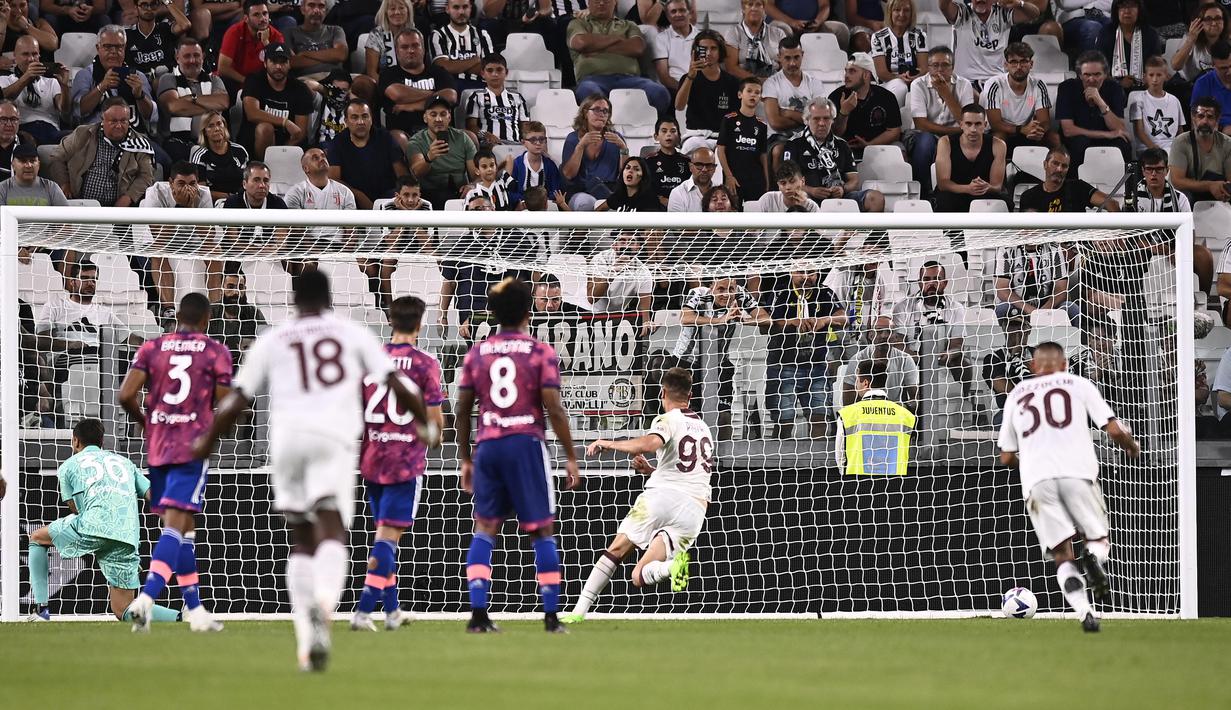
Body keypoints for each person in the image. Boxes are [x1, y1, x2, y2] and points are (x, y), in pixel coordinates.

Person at [191, 269, 432, 671]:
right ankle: (325, 604)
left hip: (286, 441)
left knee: (301, 539)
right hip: (333, 439)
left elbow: (237, 399)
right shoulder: (351, 333)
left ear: (293, 297)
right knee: (332, 527)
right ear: (329, 295)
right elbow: (398, 384)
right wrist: (423, 422)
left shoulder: (274, 337)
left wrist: (207, 441)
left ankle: (306, 640)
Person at [455, 277, 580, 633]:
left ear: (493, 313)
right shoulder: (541, 352)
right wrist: (571, 456)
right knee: (541, 529)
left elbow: (463, 410)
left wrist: (465, 458)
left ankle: (478, 614)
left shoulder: (478, 352)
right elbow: (554, 409)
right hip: (526, 443)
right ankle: (552, 617)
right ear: (528, 312)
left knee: (485, 528)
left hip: (490, 445)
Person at [997, 341, 1142, 632]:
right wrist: (1131, 446)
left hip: (1037, 481)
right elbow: (1113, 429)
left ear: (1032, 367)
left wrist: (1026, 463)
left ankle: (1085, 613)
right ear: (1064, 364)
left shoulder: (1017, 394)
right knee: (1098, 538)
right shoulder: (1079, 384)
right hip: (1078, 475)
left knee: (1063, 555)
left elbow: (1006, 456)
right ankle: (1094, 557)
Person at [117, 293, 231, 632]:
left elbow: (125, 395)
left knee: (183, 527)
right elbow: (227, 403)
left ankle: (194, 610)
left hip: (159, 446)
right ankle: (146, 599)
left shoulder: (153, 348)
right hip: (190, 447)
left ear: (177, 316)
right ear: (207, 319)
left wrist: (145, 422)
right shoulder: (215, 351)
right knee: (176, 524)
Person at [564, 366, 713, 622]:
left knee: (617, 549)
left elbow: (649, 443)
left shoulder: (667, 420)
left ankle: (578, 612)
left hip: (662, 497)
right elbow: (685, 473)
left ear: (662, 392)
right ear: (690, 396)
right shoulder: (705, 429)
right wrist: (650, 470)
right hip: (696, 510)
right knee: (639, 575)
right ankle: (670, 568)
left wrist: (607, 443)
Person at [350, 296, 445, 632]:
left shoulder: (369, 362)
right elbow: (436, 426)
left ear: (391, 321)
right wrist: (433, 435)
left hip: (372, 456)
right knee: (388, 538)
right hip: (404, 460)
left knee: (383, 535)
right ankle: (362, 612)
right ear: (419, 324)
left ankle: (392, 611)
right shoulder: (425, 364)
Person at [27, 419, 180, 623]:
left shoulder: (69, 466)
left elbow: (74, 508)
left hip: (93, 525)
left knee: (37, 538)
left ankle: (41, 610)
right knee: (123, 609)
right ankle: (180, 618)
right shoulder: (125, 463)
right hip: (127, 535)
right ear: (102, 442)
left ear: (75, 441)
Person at [764, 266, 846, 439]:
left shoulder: (824, 293)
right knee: (784, 421)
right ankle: (782, 463)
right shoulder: (781, 292)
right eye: (801, 272)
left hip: (816, 366)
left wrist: (824, 320)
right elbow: (767, 322)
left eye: (811, 272)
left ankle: (818, 465)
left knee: (820, 418)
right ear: (791, 272)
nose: (806, 277)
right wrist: (792, 322)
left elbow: (844, 317)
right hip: (783, 366)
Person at [137, 161, 215, 323]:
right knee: (158, 251)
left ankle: (215, 306)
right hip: (163, 239)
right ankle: (168, 309)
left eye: (192, 183)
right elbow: (158, 235)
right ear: (170, 183)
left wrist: (192, 207)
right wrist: (179, 206)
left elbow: (209, 236)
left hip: (193, 239)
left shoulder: (204, 193)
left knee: (216, 251)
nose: (187, 188)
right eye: (181, 183)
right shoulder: (155, 192)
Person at [779, 98, 884, 212]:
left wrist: (842, 189)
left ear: (832, 120)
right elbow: (787, 182)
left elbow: (854, 180)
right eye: (816, 119)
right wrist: (812, 191)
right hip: (807, 197)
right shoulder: (794, 144)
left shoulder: (842, 144)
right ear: (807, 120)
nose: (822, 123)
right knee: (796, 198)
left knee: (876, 198)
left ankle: (865, 230)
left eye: (826, 118)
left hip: (839, 197)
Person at [567, 0, 670, 113]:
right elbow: (580, 43)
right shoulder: (578, 23)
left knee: (660, 93)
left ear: (614, 3)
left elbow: (637, 48)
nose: (601, 3)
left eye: (606, 1)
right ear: (589, 3)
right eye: (597, 0)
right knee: (590, 95)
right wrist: (618, 39)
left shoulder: (629, 25)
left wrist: (595, 47)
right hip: (593, 79)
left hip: (631, 79)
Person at [48, 98, 155, 206]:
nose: (119, 126)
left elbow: (146, 176)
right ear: (102, 120)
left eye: (123, 121)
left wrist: (128, 197)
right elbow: (57, 157)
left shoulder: (139, 144)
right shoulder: (83, 134)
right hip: (81, 204)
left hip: (119, 209)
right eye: (113, 121)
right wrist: (64, 183)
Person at [892, 260, 971, 397]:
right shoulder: (902, 307)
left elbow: (957, 344)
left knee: (964, 363)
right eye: (926, 279)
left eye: (937, 279)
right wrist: (921, 358)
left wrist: (949, 354)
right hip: (913, 358)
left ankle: (962, 403)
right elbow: (899, 346)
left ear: (945, 283)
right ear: (919, 283)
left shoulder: (956, 307)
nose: (931, 284)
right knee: (896, 362)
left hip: (942, 358)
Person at [909, 46, 975, 194]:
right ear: (928, 67)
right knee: (925, 141)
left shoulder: (964, 85)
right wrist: (958, 130)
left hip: (956, 135)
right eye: (935, 65)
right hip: (923, 134)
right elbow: (921, 124)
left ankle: (955, 190)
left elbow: (967, 121)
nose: (940, 70)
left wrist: (946, 94)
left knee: (969, 139)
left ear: (952, 67)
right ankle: (924, 192)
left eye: (945, 65)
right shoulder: (918, 84)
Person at [835, 358, 916, 475]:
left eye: (857, 381)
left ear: (865, 383)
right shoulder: (906, 415)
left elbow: (840, 457)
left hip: (857, 486)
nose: (856, 385)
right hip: (895, 486)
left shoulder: (847, 414)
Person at [378, 29, 457, 147]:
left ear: (423, 49)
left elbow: (450, 97)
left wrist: (411, 106)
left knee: (470, 136)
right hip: (405, 133)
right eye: (404, 47)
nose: (411, 50)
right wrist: (435, 94)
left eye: (415, 45)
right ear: (397, 52)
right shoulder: (389, 74)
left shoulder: (438, 72)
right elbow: (398, 95)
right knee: (397, 138)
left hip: (440, 132)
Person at [156, 37, 229, 162]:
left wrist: (192, 98)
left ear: (203, 56)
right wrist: (210, 106)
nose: (192, 60)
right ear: (177, 57)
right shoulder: (168, 79)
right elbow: (174, 107)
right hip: (178, 142)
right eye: (187, 56)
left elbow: (223, 102)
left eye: (196, 55)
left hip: (213, 141)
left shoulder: (214, 80)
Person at [72, 25, 158, 132]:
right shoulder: (86, 75)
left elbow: (151, 116)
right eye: (107, 47)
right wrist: (101, 87)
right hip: (97, 134)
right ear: (98, 48)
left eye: (119, 47)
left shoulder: (137, 76)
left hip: (134, 134)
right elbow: (77, 111)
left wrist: (140, 96)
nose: (113, 51)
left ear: (125, 48)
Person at [1055, 50, 1130, 169]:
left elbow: (1119, 128)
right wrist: (1107, 135)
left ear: (1105, 74)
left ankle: (1125, 185)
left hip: (1106, 139)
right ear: (1080, 75)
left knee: (1123, 143)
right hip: (1078, 138)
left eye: (1097, 74)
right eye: (1087, 74)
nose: (1092, 79)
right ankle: (1077, 183)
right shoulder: (1066, 88)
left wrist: (1100, 102)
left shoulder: (1114, 88)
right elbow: (1068, 130)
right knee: (1080, 144)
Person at [238, 41, 313, 159]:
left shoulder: (300, 89)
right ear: (265, 63)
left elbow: (300, 133)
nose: (278, 67)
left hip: (288, 149)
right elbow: (252, 113)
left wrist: (280, 154)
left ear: (289, 64)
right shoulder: (254, 80)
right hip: (253, 148)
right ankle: (263, 168)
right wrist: (285, 122)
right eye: (274, 62)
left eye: (283, 62)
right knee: (265, 128)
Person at [325, 98, 405, 209]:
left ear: (371, 119)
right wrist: (358, 195)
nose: (360, 122)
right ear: (346, 121)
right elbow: (334, 182)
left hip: (386, 199)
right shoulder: (337, 143)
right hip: (352, 199)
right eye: (354, 117)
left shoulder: (386, 138)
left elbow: (402, 177)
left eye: (365, 116)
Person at [941, 0, 1038, 88]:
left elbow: (1034, 13)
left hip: (996, 82)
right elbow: (943, 6)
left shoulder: (1003, 13)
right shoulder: (962, 12)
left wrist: (1019, 3)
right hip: (966, 82)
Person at [981, 42, 1057, 153]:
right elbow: (995, 124)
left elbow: (1045, 121)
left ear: (1031, 64)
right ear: (1006, 65)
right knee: (999, 137)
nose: (1019, 67)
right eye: (1013, 62)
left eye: (1023, 61)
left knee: (1054, 138)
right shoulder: (994, 84)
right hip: (1002, 131)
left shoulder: (1039, 84)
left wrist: (1038, 130)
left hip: (1027, 131)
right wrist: (1021, 129)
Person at [993, 226, 1079, 324]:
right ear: (1020, 229)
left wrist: (1043, 311)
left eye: (1036, 228)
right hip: (1017, 306)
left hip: (1047, 307)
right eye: (1027, 228)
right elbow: (1002, 289)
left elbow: (1061, 289)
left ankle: (1079, 339)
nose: (1031, 232)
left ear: (1043, 229)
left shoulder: (1054, 249)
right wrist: (1030, 310)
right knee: (1002, 309)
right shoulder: (1006, 249)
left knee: (1071, 309)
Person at [406, 93, 477, 209]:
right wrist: (429, 157)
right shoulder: (416, 142)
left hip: (460, 193)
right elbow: (417, 172)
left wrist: (472, 185)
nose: (438, 119)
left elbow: (476, 174)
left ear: (449, 117)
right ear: (425, 118)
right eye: (433, 115)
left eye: (443, 114)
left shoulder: (462, 138)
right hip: (429, 194)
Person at [933, 103, 1008, 213]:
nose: (973, 129)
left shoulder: (998, 145)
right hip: (953, 193)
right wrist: (968, 188)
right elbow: (943, 183)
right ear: (961, 124)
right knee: (945, 200)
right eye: (968, 124)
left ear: (985, 125)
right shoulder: (945, 142)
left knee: (998, 202)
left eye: (978, 124)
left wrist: (986, 187)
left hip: (983, 193)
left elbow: (996, 186)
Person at [560, 94, 627, 211]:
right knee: (585, 202)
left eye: (605, 111)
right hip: (580, 191)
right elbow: (569, 174)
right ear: (585, 113)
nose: (601, 114)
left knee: (616, 203)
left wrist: (623, 147)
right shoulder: (573, 139)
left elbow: (625, 174)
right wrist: (580, 146)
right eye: (596, 109)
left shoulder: (616, 138)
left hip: (609, 190)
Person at [829, 52, 903, 159]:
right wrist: (844, 113)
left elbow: (894, 131)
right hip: (846, 148)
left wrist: (870, 145)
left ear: (866, 75)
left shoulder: (886, 97)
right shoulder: (836, 96)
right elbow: (834, 134)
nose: (846, 76)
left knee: (900, 153)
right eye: (846, 71)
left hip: (879, 145)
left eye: (852, 71)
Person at [0, 36, 70, 146]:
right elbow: (4, 98)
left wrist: (65, 87)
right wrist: (26, 77)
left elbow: (64, 110)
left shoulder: (52, 82)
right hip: (24, 129)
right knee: (27, 140)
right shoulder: (4, 80)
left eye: (34, 54)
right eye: (25, 54)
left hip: (51, 130)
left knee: (78, 136)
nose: (31, 59)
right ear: (15, 56)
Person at [674, 30, 740, 140]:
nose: (709, 53)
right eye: (704, 49)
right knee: (703, 155)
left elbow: (737, 115)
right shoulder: (688, 78)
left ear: (720, 51)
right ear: (697, 52)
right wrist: (690, 76)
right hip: (695, 135)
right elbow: (679, 106)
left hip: (724, 136)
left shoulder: (732, 81)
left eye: (713, 48)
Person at [761, 35, 827, 141]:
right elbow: (775, 122)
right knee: (779, 151)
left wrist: (789, 114)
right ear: (779, 57)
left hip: (809, 136)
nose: (792, 63)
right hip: (780, 137)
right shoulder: (771, 83)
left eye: (796, 57)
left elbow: (821, 118)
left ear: (802, 55)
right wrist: (807, 120)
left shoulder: (814, 83)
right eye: (787, 58)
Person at [716, 76, 769, 204]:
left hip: (755, 179)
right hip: (735, 178)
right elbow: (721, 150)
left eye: (757, 92)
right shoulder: (729, 120)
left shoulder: (762, 125)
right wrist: (729, 176)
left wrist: (767, 180)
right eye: (749, 91)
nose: (753, 95)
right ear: (740, 94)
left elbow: (763, 155)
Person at [216, 0, 285, 97]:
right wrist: (248, 82)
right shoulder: (234, 32)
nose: (263, 18)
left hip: (260, 86)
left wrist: (266, 43)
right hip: (234, 83)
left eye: (265, 13)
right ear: (246, 18)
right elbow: (223, 68)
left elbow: (280, 67)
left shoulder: (276, 36)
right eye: (256, 15)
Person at [1020, 145, 1118, 213]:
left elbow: (1111, 203)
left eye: (1064, 166)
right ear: (1045, 164)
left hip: (1076, 242)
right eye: (1055, 163)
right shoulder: (1029, 196)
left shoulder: (1078, 187)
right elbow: (1026, 234)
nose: (1059, 169)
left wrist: (1116, 236)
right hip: (1045, 242)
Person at [1170, 96, 1231, 202]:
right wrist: (1209, 186)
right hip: (1190, 198)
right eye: (1200, 116)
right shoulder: (1180, 142)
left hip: (1218, 196)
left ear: (1218, 119)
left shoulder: (1227, 143)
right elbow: (1177, 181)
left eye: (1210, 117)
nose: (1205, 121)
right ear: (1193, 117)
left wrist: (1225, 191)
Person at [870, 0, 928, 105]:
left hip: (914, 82)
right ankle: (893, 119)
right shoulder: (878, 37)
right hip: (888, 84)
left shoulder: (920, 36)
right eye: (897, 10)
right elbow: (882, 73)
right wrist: (899, 78)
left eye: (906, 10)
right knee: (900, 86)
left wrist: (913, 78)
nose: (901, 14)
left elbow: (923, 69)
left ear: (911, 14)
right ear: (890, 12)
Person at [429, 0, 495, 93]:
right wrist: (475, 60)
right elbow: (443, 68)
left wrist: (455, 66)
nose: (461, 12)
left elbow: (489, 68)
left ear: (471, 8)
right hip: (450, 88)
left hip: (480, 87)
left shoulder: (483, 35)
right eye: (456, 7)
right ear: (447, 9)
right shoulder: (438, 35)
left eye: (465, 7)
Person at [1096, 0, 1161, 92]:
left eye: (1132, 6)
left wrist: (1149, 78)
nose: (1127, 10)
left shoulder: (1150, 34)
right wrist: (1119, 83)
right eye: (1122, 6)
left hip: (1146, 88)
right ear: (1116, 10)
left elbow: (1156, 64)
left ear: (1139, 9)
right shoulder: (1106, 33)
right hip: (1112, 89)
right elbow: (1098, 69)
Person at [465, 53, 529, 147]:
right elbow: (471, 126)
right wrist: (486, 135)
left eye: (499, 70)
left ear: (506, 72)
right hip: (487, 145)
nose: (495, 74)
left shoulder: (517, 97)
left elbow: (525, 125)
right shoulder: (477, 96)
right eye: (490, 70)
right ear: (483, 74)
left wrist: (527, 141)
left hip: (515, 145)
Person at [357, 0, 416, 101]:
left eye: (401, 8)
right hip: (382, 83)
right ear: (385, 12)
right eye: (392, 9)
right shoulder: (376, 35)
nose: (397, 12)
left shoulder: (415, 35)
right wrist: (391, 88)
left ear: (408, 11)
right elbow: (372, 73)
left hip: (411, 82)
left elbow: (419, 67)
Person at [587, 230, 653, 319]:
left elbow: (645, 312)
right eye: (622, 241)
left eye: (632, 242)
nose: (626, 245)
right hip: (586, 311)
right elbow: (591, 298)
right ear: (614, 245)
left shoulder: (642, 271)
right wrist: (613, 272)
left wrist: (646, 321)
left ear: (638, 248)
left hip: (616, 314)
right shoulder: (600, 259)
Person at [207, 269, 266, 366]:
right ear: (222, 289)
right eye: (230, 287)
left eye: (240, 287)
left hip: (245, 367)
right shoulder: (210, 312)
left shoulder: (253, 313)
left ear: (245, 289)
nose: (236, 292)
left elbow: (265, 341)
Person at [1128, 55, 1185, 156]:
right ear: (1145, 77)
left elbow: (1180, 131)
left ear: (1166, 76)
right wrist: (1156, 149)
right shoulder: (1138, 100)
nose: (1155, 79)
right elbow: (1139, 132)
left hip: (1172, 149)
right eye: (1151, 75)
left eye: (1159, 75)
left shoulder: (1174, 101)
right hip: (1147, 149)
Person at [124, 0, 191, 82]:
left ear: (158, 6)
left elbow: (185, 25)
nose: (149, 8)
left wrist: (167, 2)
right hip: (140, 84)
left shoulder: (165, 28)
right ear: (136, 7)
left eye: (153, 4)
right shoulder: (128, 34)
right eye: (144, 5)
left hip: (168, 82)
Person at [190, 110, 249, 200]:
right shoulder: (200, 156)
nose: (217, 129)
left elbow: (247, 182)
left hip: (239, 201)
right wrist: (228, 197)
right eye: (211, 126)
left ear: (224, 126)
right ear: (205, 131)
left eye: (219, 124)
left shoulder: (240, 151)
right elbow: (200, 190)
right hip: (212, 203)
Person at [723, 0, 789, 80]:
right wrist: (757, 80)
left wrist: (773, 82)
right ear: (743, 8)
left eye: (758, 5)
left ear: (764, 8)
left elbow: (786, 62)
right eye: (750, 4)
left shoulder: (778, 33)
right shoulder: (733, 33)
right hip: (745, 85)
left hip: (775, 82)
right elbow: (731, 68)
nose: (754, 8)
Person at [286, 0, 347, 80]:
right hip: (306, 80)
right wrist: (331, 58)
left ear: (326, 11)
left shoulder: (335, 30)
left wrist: (305, 54)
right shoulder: (289, 32)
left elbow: (341, 54)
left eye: (321, 6)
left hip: (336, 79)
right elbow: (292, 62)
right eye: (311, 5)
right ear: (302, 9)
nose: (316, 10)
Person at [508, 120, 564, 208]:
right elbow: (511, 192)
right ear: (524, 143)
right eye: (533, 140)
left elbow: (555, 190)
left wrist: (542, 201)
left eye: (541, 139)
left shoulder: (550, 165)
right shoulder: (517, 164)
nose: (538, 143)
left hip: (545, 204)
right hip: (524, 206)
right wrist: (528, 202)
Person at [763, 0, 849, 50]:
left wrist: (818, 21)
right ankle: (780, 69)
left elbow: (825, 5)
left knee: (841, 30)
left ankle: (838, 69)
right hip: (785, 23)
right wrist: (792, 22)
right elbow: (768, 6)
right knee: (779, 29)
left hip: (812, 25)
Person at [0, 143, 68, 206]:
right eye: (23, 161)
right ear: (13, 165)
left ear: (38, 164)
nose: (29, 165)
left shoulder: (52, 188)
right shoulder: (2, 189)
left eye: (32, 161)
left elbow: (66, 216)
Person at [654, 0, 699, 93]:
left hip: (701, 87)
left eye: (682, 10)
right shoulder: (661, 39)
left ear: (690, 13)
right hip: (675, 88)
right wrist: (686, 90)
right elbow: (664, 77)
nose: (678, 14)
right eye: (673, 11)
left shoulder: (702, 37)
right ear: (667, 16)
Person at [644, 117, 690, 205]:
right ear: (656, 136)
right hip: (656, 208)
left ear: (679, 136)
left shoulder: (687, 161)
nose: (669, 134)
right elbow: (644, 189)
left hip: (682, 207)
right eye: (664, 131)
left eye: (673, 131)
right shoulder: (648, 161)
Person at [596, 155, 663, 211]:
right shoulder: (618, 196)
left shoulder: (650, 199)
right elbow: (598, 211)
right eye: (627, 168)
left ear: (643, 175)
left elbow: (653, 226)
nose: (630, 171)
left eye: (636, 169)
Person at [667, 145, 718, 212]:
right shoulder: (678, 193)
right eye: (699, 165)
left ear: (714, 168)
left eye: (709, 165)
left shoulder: (721, 192)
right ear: (691, 167)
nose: (704, 170)